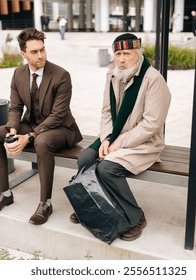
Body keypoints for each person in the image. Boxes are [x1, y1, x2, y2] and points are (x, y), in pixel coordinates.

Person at [69, 33, 171, 241]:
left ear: (138, 54)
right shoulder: (113, 74)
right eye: (118, 54)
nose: (122, 59)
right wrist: (106, 139)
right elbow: (106, 111)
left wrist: (117, 144)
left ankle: (135, 216)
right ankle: (92, 206)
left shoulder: (153, 79)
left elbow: (151, 125)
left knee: (108, 168)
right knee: (85, 158)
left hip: (143, 142)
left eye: (127, 53)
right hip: (115, 136)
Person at [0, 28, 82, 225]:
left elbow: (57, 115)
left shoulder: (62, 75)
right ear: (23, 54)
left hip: (62, 129)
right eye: (34, 52)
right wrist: (13, 131)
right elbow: (15, 108)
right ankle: (4, 193)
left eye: (42, 50)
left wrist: (28, 136)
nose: (40, 55)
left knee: (42, 141)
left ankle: (45, 203)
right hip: (31, 124)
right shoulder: (18, 74)